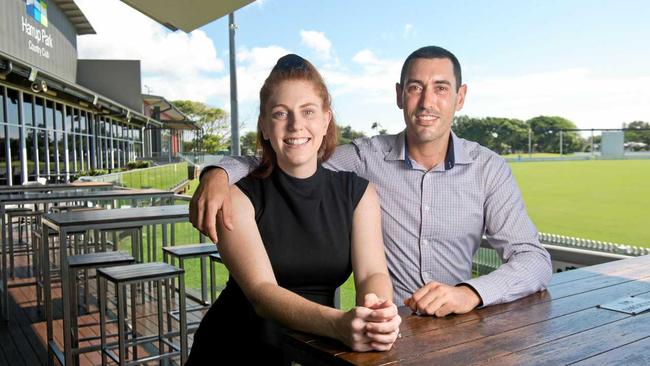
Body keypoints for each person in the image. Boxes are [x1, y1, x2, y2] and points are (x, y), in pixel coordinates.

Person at [191, 46, 552, 318]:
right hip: (387, 330)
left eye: (441, 88)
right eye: (415, 87)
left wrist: (469, 293)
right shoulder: (365, 158)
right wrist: (218, 173)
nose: (427, 101)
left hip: (454, 327)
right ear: (399, 95)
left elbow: (534, 259)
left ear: (460, 98)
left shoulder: (488, 169)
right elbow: (292, 150)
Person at [186, 54, 401, 365]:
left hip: (317, 350)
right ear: (263, 126)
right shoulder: (237, 197)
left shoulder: (359, 193)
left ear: (326, 120)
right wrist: (338, 324)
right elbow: (261, 293)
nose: (296, 125)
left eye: (308, 111)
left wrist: (377, 310)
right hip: (234, 351)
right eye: (280, 113)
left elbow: (373, 272)